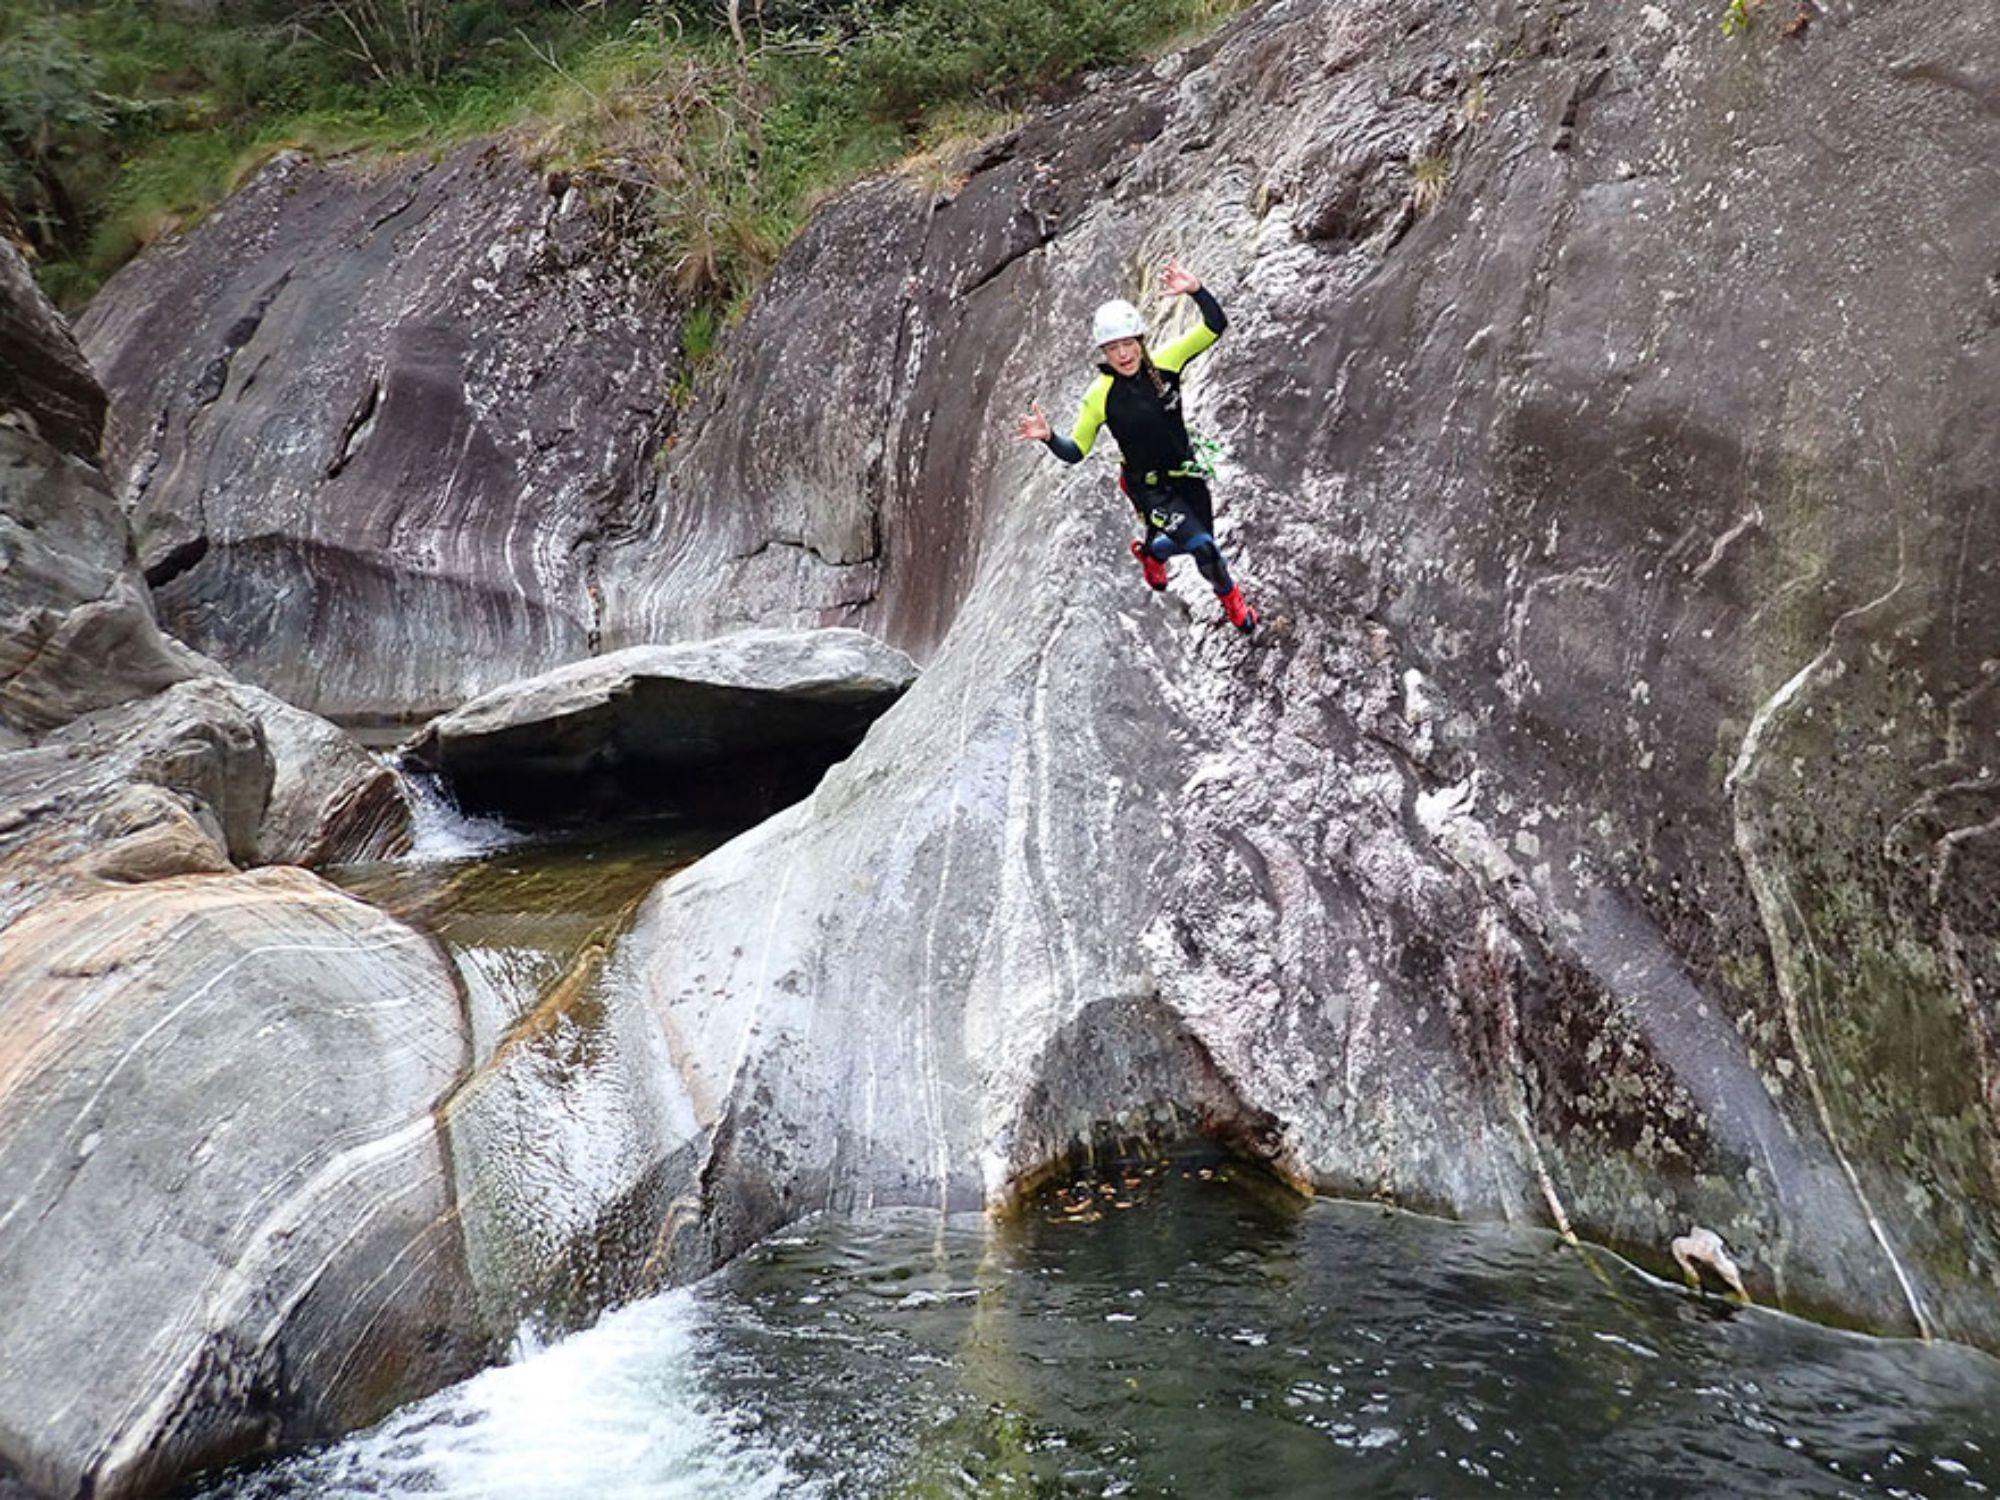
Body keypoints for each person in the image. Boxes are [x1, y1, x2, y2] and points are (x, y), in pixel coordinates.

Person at [1015, 258, 1257, 633]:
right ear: (1104, 352)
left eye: (1128, 344)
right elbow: (1076, 451)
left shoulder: (1167, 362)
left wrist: (1196, 291)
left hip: (1187, 475)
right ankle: (1233, 604)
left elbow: (1214, 326)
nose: (1124, 355)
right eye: (1113, 348)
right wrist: (1049, 437)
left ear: (1140, 342)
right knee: (1204, 547)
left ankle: (1152, 553)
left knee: (1201, 542)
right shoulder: (1099, 396)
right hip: (1149, 488)